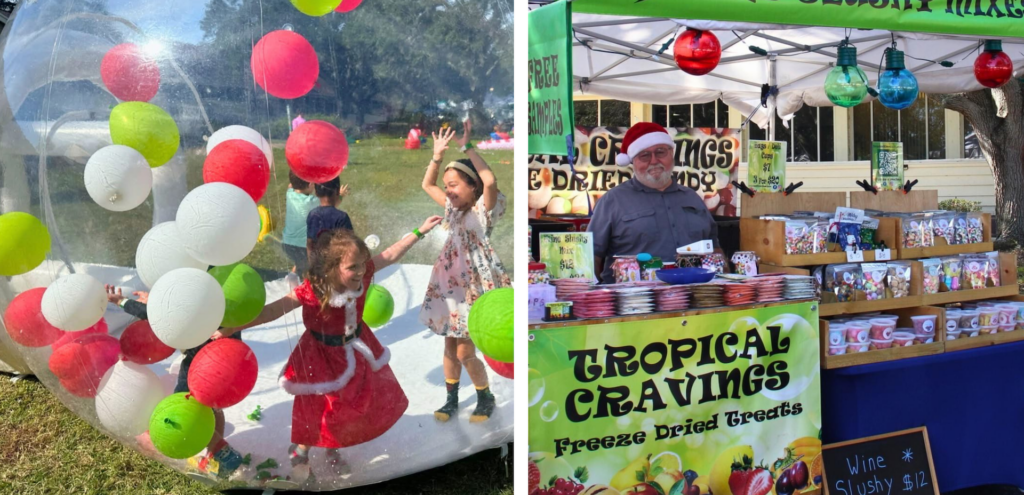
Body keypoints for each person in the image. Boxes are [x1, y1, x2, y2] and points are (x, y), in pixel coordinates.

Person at [216, 217, 443, 479]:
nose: (360, 271)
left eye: (362, 264)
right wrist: (234, 327)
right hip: (320, 356)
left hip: (356, 350)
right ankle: (300, 449)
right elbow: (272, 311)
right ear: (332, 268)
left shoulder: (365, 272)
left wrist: (420, 231)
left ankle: (332, 446)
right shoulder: (313, 291)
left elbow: (390, 254)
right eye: (352, 267)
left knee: (354, 403)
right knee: (322, 407)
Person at [419, 120, 510, 423]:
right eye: (448, 186)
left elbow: (491, 179)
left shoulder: (482, 211)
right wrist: (437, 156)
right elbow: (427, 185)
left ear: (472, 188)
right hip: (449, 288)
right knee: (448, 346)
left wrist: (467, 147)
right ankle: (451, 399)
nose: (448, 190)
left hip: (474, 288)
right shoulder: (451, 208)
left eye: (455, 185)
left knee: (464, 351)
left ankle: (485, 396)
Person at [105, 285, 245, 479]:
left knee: (186, 409)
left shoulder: (180, 315)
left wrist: (120, 301)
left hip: (199, 367)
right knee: (212, 408)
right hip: (227, 364)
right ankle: (214, 453)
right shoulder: (217, 307)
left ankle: (225, 455)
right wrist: (154, 301)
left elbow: (151, 316)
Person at [587, 122, 721, 284]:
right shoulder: (612, 201)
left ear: (671, 153)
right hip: (634, 303)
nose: (653, 161)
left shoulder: (692, 198)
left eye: (660, 152)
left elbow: (714, 249)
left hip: (693, 297)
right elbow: (591, 257)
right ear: (633, 161)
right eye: (644, 155)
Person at [283, 171, 319, 275]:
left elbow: (290, 185)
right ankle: (301, 288)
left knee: (300, 263)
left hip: (287, 243)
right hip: (302, 247)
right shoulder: (311, 201)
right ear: (310, 184)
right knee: (309, 272)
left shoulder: (289, 193)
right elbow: (328, 203)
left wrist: (297, 171)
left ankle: (291, 278)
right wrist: (340, 195)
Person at [306, 177, 352, 256]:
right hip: (336, 263)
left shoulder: (312, 215)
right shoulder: (342, 217)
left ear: (316, 192)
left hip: (318, 263)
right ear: (337, 192)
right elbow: (350, 245)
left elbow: (310, 244)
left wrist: (312, 264)